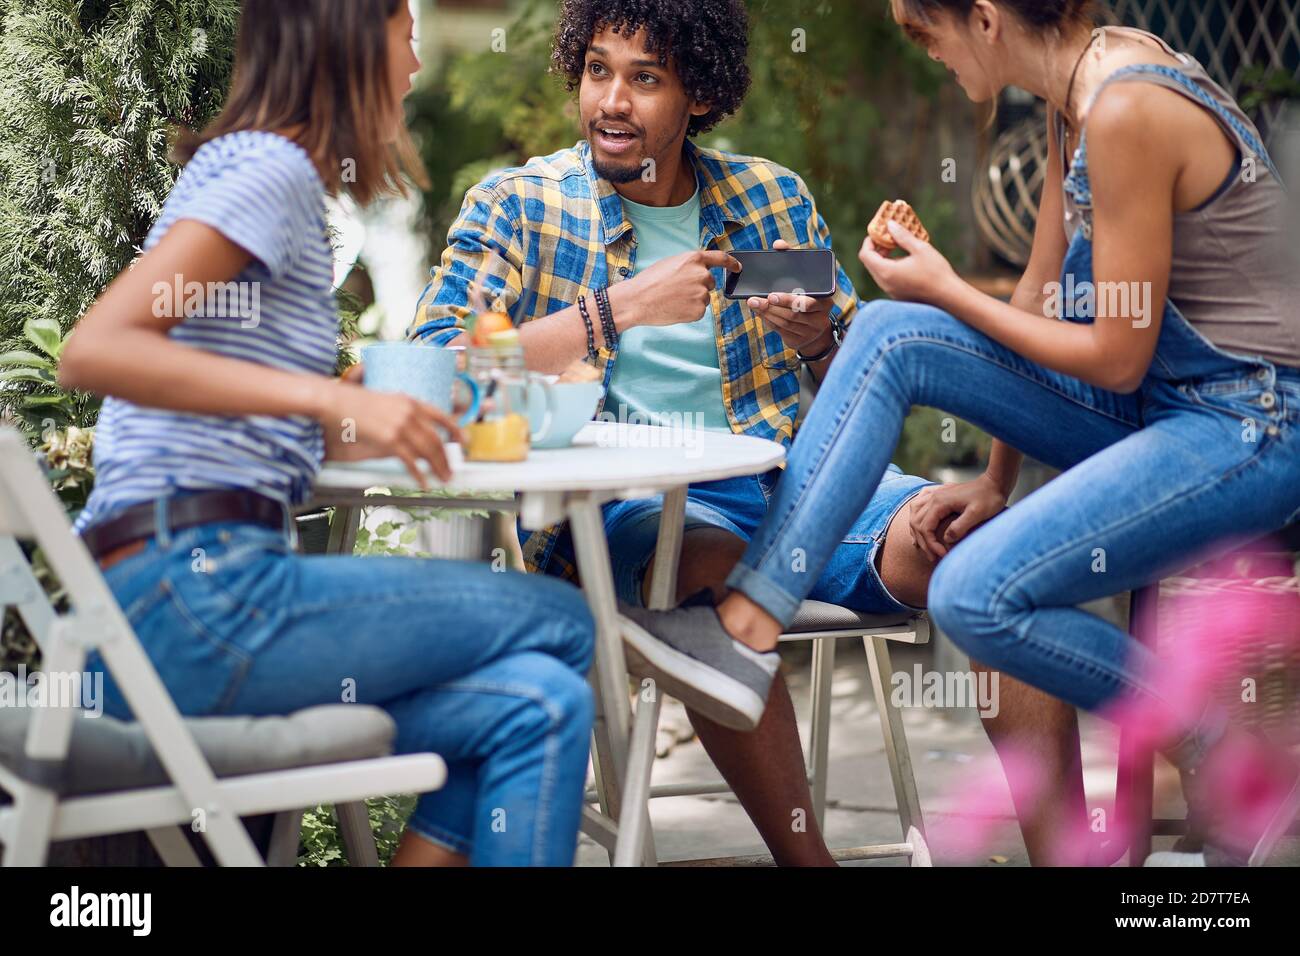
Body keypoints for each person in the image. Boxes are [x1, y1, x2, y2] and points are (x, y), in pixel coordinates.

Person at [620, 0, 1300, 866]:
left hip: (1252, 421)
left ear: (982, 18)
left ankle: (1211, 744)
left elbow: (1116, 355)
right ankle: (750, 622)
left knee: (974, 594)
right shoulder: (1076, 101)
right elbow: (1035, 295)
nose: (931, 57)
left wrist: (943, 287)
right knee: (883, 333)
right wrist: (994, 480)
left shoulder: (1129, 107)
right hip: (1169, 405)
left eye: (926, 35)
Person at [411, 0, 1065, 867]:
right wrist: (616, 311)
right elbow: (431, 374)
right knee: (715, 575)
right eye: (599, 70)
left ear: (697, 96)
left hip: (801, 487)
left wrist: (821, 342)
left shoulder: (768, 198)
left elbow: (859, 397)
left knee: (989, 549)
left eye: (646, 79)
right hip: (642, 514)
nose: (612, 100)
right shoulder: (522, 206)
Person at [61, 0, 595, 868]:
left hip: (180, 604)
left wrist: (374, 406)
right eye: (405, 37)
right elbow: (97, 348)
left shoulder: (273, 183)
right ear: (349, 37)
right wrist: (322, 404)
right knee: (568, 622)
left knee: (535, 702)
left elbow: (252, 413)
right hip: (195, 598)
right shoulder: (267, 171)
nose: (415, 67)